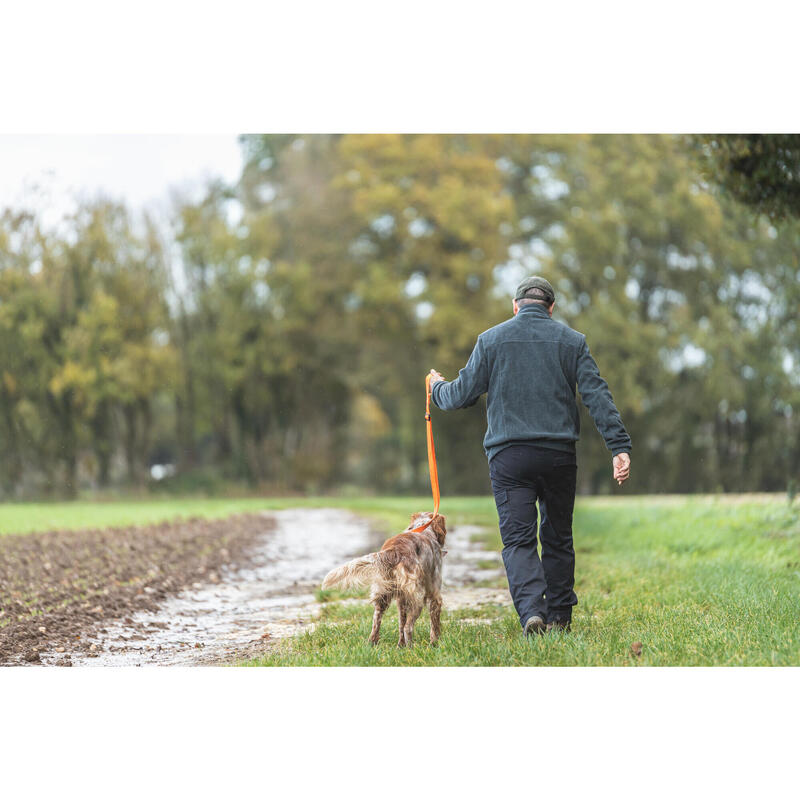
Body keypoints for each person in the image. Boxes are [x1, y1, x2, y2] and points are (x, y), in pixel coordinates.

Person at [429, 276, 631, 637]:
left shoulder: (490, 340)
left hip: (510, 457)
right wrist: (618, 446)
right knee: (557, 536)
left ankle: (532, 614)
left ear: (515, 305)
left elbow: (459, 395)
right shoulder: (572, 342)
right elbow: (597, 394)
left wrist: (435, 387)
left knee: (519, 540)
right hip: (558, 455)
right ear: (551, 308)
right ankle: (559, 618)